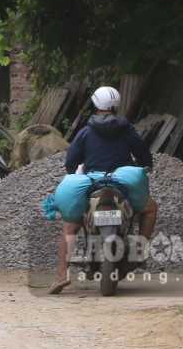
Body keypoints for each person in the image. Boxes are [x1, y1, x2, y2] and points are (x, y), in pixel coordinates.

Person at [48, 85, 159, 295]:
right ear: (116, 105)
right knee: (150, 208)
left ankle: (61, 275)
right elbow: (144, 156)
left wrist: (74, 171)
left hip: (92, 183)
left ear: (95, 104)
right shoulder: (127, 130)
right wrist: (145, 166)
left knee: (70, 226)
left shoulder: (85, 131)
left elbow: (71, 161)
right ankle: (140, 250)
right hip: (120, 183)